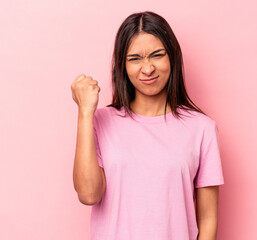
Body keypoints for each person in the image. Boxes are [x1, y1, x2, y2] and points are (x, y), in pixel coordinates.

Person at [71, 11, 224, 240]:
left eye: (157, 55)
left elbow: (208, 219)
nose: (148, 68)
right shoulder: (100, 121)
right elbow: (89, 194)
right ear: (122, 65)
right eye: (135, 59)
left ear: (172, 56)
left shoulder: (202, 129)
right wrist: (84, 112)